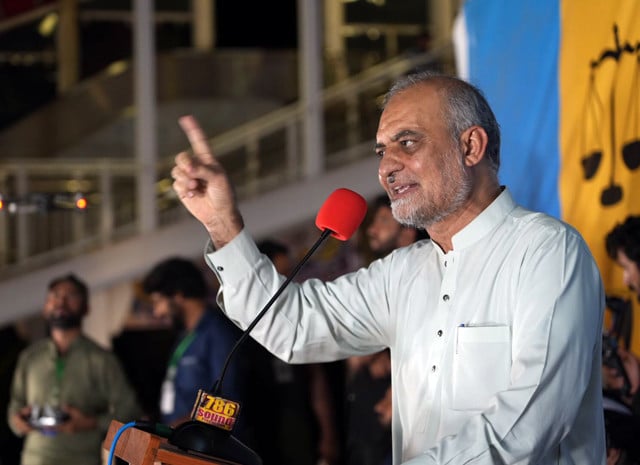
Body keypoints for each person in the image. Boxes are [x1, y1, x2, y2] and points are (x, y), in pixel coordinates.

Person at [170, 70, 606, 464]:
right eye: (382, 150)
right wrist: (221, 222)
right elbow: (292, 326)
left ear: (470, 146)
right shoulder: (403, 273)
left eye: (408, 142)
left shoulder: (547, 252)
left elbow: (531, 425)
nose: (386, 167)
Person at [7, 273, 142, 465]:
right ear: (45, 307)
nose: (61, 301)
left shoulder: (101, 359)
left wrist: (90, 422)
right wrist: (18, 421)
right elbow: (15, 406)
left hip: (82, 459)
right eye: (54, 296)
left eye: (71, 296)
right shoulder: (30, 357)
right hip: (34, 459)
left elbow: (130, 411)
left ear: (86, 308)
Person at [344, 194, 428, 465]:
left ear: (407, 234)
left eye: (382, 221)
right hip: (365, 420)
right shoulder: (376, 279)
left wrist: (395, 390)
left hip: (400, 417)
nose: (371, 229)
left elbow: (427, 341)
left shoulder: (424, 278)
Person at [141, 257, 257, 448]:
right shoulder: (185, 337)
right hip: (182, 446)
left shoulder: (218, 333)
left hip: (209, 450)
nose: (157, 312)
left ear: (178, 295)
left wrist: (171, 430)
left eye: (158, 302)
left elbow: (226, 404)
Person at [252, 239, 341, 465]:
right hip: (257, 437)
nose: (287, 282)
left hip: (301, 435)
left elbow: (316, 380)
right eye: (281, 275)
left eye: (289, 274)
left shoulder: (300, 317)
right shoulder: (241, 324)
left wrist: (328, 435)